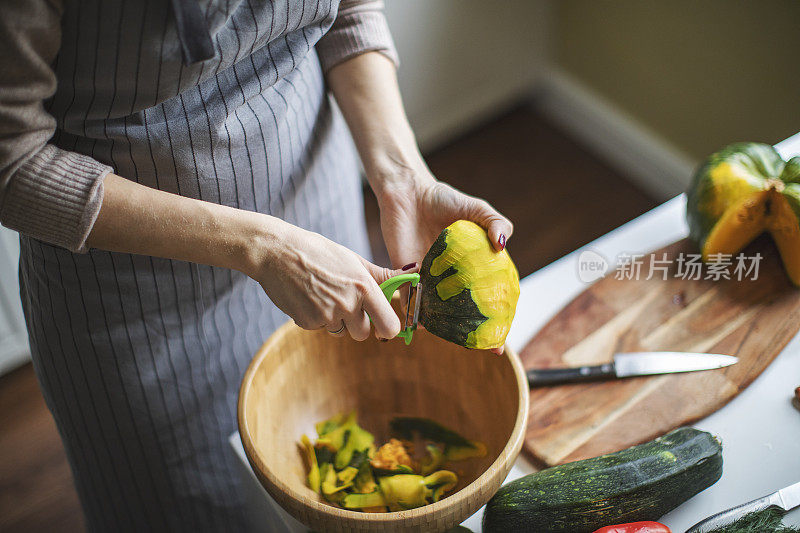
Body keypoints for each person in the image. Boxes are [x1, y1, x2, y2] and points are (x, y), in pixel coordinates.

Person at [0, 0, 513, 530]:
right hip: (137, 298)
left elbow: (351, 10)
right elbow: (9, 160)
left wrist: (404, 178)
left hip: (319, 220)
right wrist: (264, 248)